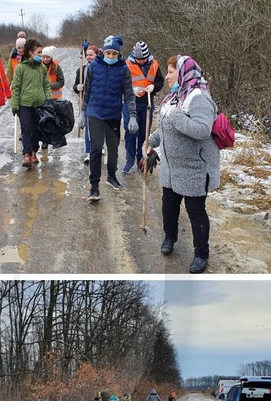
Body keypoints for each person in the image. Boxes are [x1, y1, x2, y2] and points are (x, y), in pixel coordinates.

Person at [146, 55, 220, 274]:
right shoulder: (174, 96)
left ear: (184, 73)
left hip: (193, 167)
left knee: (195, 211)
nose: (167, 77)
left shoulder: (199, 98)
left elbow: (202, 130)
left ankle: (201, 253)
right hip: (171, 165)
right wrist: (152, 141)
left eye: (170, 71)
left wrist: (178, 116)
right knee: (168, 206)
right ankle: (170, 237)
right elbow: (166, 128)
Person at [80, 34, 137, 200]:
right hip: (95, 113)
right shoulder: (93, 67)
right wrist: (82, 112)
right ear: (103, 53)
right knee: (96, 149)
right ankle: (94, 186)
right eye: (108, 53)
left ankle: (111, 176)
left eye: (114, 54)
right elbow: (87, 91)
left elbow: (129, 94)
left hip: (113, 114)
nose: (111, 56)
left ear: (118, 54)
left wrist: (132, 116)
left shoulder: (123, 69)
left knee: (113, 150)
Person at [122, 41, 165, 173]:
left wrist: (154, 87)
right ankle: (129, 160)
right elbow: (120, 83)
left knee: (144, 133)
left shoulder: (154, 65)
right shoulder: (126, 65)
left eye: (143, 59)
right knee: (130, 131)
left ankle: (141, 159)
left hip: (147, 103)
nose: (140, 61)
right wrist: (131, 89)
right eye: (138, 59)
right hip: (131, 103)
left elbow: (160, 81)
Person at [10, 38, 51, 168]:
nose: (41, 55)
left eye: (41, 53)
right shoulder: (20, 68)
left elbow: (46, 86)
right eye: (39, 53)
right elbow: (15, 87)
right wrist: (15, 105)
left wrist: (49, 101)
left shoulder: (42, 68)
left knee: (37, 130)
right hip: (25, 104)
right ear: (30, 52)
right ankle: (26, 154)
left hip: (39, 104)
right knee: (26, 129)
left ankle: (34, 152)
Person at [74, 44, 101, 165]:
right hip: (86, 101)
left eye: (91, 55)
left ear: (97, 55)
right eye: (87, 55)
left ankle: (99, 147)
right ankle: (89, 152)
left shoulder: (102, 68)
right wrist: (77, 87)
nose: (89, 57)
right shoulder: (81, 70)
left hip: (99, 102)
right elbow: (75, 87)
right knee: (88, 128)